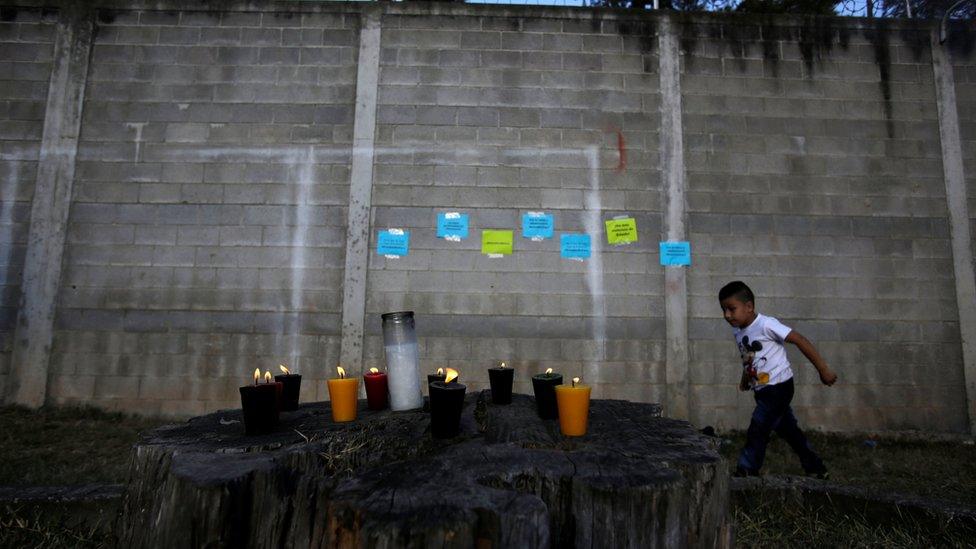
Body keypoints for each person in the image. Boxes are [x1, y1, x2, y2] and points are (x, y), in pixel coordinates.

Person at [718, 280, 838, 479]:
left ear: (749, 307)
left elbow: (799, 340)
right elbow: (749, 356)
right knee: (790, 431)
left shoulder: (766, 324)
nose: (727, 315)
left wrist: (823, 369)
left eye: (732, 309)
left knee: (759, 427)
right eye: (723, 310)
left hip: (779, 387)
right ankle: (816, 468)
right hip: (762, 389)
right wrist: (746, 378)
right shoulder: (738, 330)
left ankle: (747, 470)